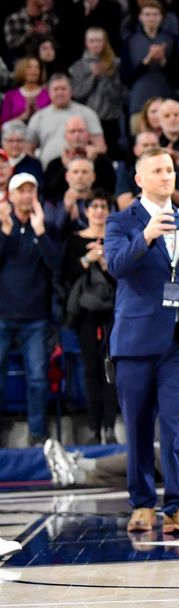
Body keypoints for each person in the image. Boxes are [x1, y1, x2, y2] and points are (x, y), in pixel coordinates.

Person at [105, 147, 179, 534]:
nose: (166, 176)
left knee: (175, 421)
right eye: (156, 170)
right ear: (139, 179)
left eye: (169, 169)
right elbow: (117, 266)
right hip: (135, 340)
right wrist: (146, 236)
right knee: (138, 424)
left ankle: (178, 504)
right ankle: (142, 504)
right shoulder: (121, 222)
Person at [43, 347, 179, 488]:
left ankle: (83, 464)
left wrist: (178, 444)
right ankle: (79, 476)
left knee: (157, 456)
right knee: (150, 469)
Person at [0, 172, 57, 446]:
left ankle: (37, 434)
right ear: (11, 196)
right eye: (20, 191)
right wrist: (6, 233)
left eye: (30, 191)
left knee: (38, 377)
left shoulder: (43, 227)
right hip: (2, 314)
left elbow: (56, 266)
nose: (26, 196)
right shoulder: (3, 227)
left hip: (36, 317)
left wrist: (42, 232)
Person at [60, 188, 118, 444]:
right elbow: (66, 275)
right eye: (94, 206)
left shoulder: (116, 239)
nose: (98, 211)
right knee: (91, 369)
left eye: (103, 206)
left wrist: (106, 264)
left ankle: (110, 427)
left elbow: (125, 277)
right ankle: (94, 428)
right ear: (86, 211)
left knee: (112, 370)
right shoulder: (75, 240)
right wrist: (86, 259)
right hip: (86, 314)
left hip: (113, 313)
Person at [25, 74, 105, 166]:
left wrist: (91, 152)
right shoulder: (38, 117)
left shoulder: (87, 113)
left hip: (80, 172)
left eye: (63, 89)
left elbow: (101, 147)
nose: (59, 93)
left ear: (71, 90)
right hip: (48, 172)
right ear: (49, 92)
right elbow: (28, 149)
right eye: (56, 89)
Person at [68, 27, 125, 153]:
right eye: (92, 41)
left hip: (111, 118)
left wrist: (105, 76)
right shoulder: (77, 67)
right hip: (86, 120)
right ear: (86, 43)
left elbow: (119, 93)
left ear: (104, 42)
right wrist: (93, 77)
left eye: (99, 41)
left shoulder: (115, 64)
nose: (95, 44)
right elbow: (77, 94)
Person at [2, 56, 49, 124]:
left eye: (37, 67)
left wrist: (36, 111)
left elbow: (53, 120)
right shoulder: (10, 95)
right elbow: (3, 124)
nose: (33, 70)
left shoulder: (48, 94)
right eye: (29, 67)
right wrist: (23, 116)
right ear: (22, 70)